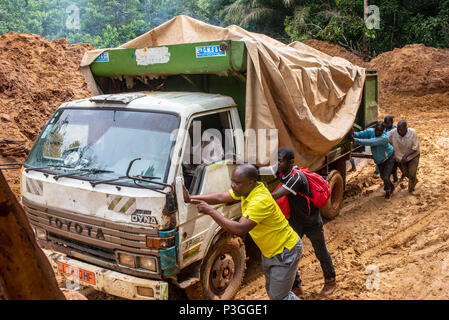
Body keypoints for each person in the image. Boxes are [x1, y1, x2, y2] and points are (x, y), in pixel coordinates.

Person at [183, 164, 303, 300]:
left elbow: (239, 229)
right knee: (274, 293)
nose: (233, 185)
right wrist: (191, 198)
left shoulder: (260, 200)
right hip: (272, 251)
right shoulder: (247, 190)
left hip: (284, 251)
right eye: (232, 181)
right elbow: (221, 197)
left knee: (279, 297)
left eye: (237, 182)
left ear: (250, 182)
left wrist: (210, 211)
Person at [271, 147, 336, 296]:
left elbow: (276, 195)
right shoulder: (283, 172)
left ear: (290, 162)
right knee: (288, 254)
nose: (277, 163)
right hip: (296, 222)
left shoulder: (296, 178)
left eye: (280, 161)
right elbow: (264, 170)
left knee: (320, 252)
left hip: (311, 221)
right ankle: (296, 286)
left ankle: (330, 280)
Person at [352, 121, 396, 200]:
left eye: (380, 131)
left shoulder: (384, 138)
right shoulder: (370, 131)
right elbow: (360, 134)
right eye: (377, 130)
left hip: (389, 157)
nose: (378, 132)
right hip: (379, 159)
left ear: (383, 130)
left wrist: (355, 140)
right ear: (375, 128)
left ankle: (388, 191)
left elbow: (371, 142)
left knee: (385, 176)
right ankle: (390, 186)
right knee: (383, 177)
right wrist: (353, 134)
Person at [388, 120, 420, 194]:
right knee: (406, 173)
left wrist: (406, 155)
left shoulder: (412, 132)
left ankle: (411, 189)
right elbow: (384, 138)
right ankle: (414, 180)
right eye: (398, 129)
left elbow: (415, 148)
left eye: (401, 129)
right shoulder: (392, 133)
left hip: (413, 156)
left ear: (406, 128)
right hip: (400, 158)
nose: (399, 131)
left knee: (412, 172)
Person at [374, 115, 398, 180]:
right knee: (380, 159)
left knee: (393, 164)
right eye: (385, 123)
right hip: (384, 147)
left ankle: (395, 178)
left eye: (388, 123)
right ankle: (377, 171)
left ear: (392, 123)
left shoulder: (395, 129)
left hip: (392, 148)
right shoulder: (383, 128)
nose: (387, 124)